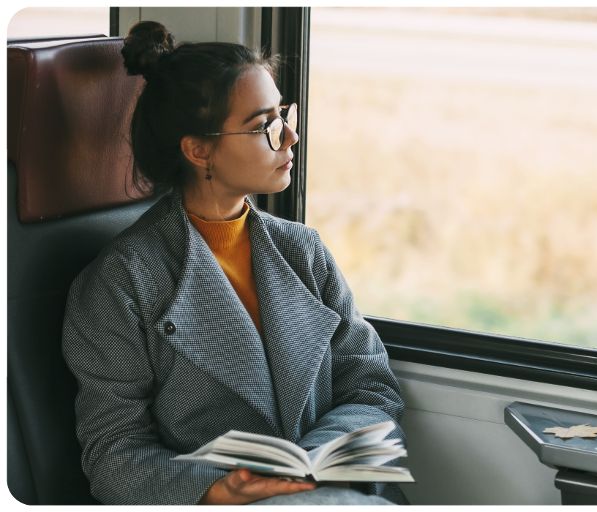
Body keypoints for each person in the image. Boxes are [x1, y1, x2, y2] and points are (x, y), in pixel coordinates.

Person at [61, 21, 406, 506]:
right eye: (264, 125)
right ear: (198, 149)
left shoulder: (304, 251)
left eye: (284, 114)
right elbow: (114, 453)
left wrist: (312, 463)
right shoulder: (121, 283)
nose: (289, 137)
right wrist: (214, 489)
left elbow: (369, 383)